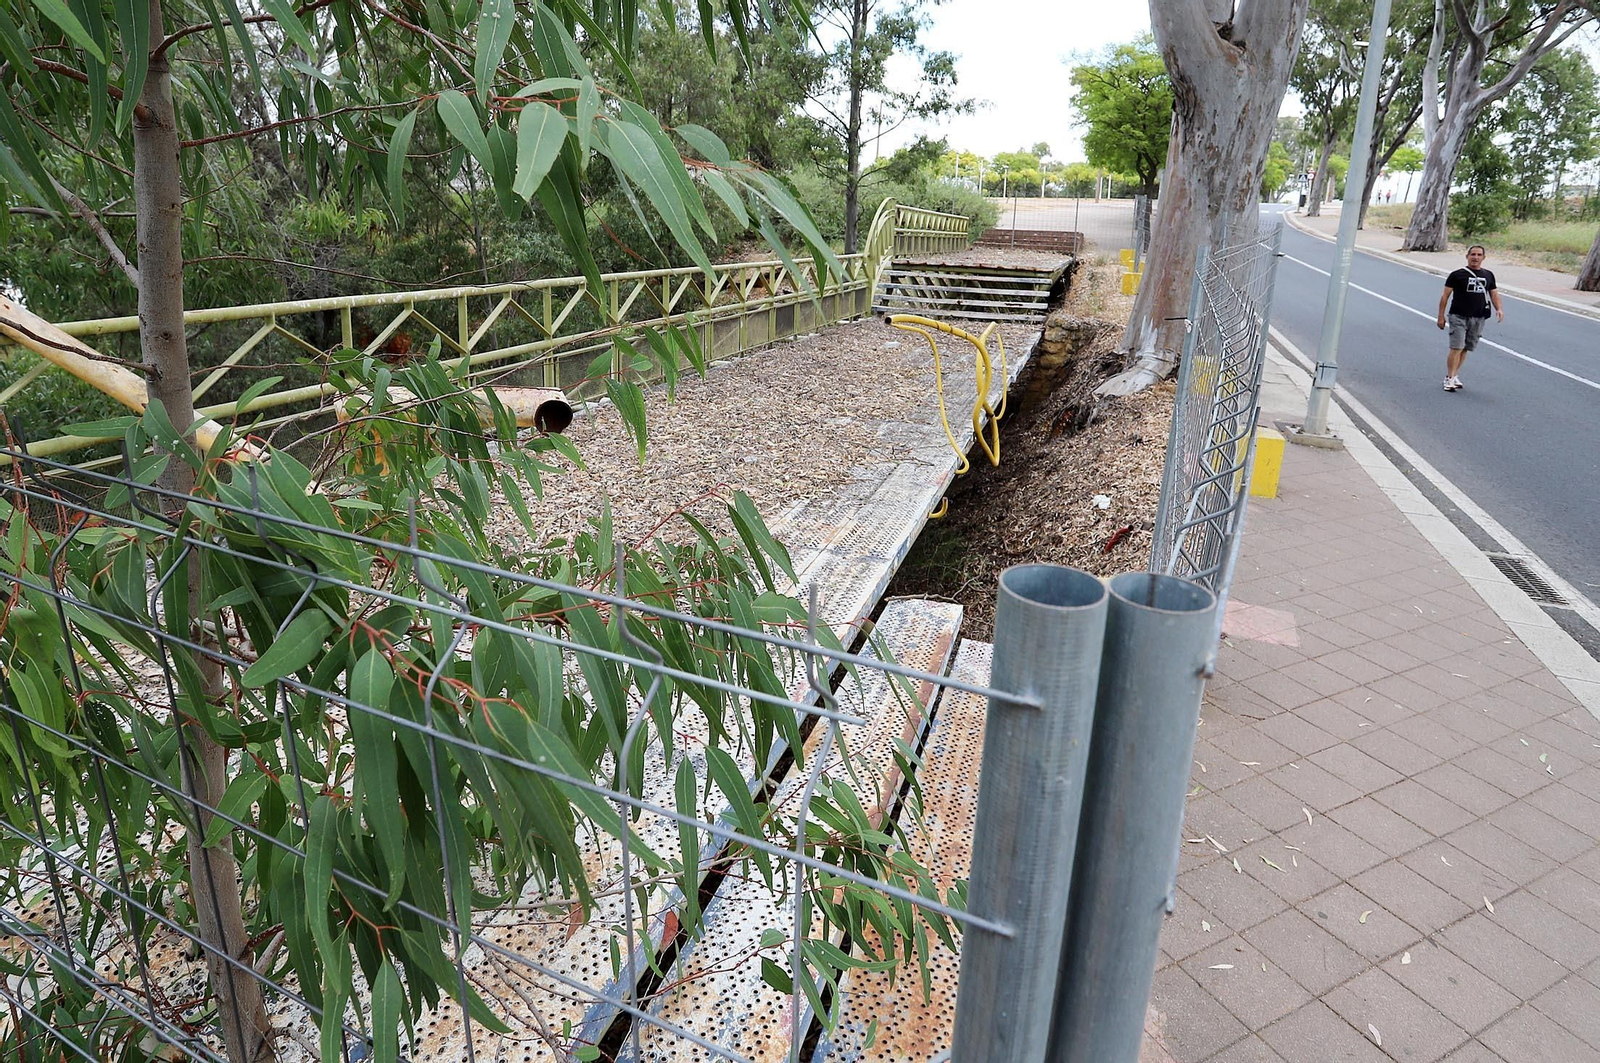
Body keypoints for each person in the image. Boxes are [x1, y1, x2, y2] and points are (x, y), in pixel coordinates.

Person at [1435, 244, 1504, 391]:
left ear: (1484, 258)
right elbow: (1445, 295)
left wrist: (1499, 308)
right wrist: (1441, 316)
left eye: (1479, 255)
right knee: (1456, 347)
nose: (1475, 257)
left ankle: (1455, 375)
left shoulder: (1488, 275)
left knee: (1466, 347)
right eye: (1473, 254)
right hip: (1458, 316)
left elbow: (1493, 293)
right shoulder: (1457, 275)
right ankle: (1449, 378)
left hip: (1478, 317)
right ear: (1467, 256)